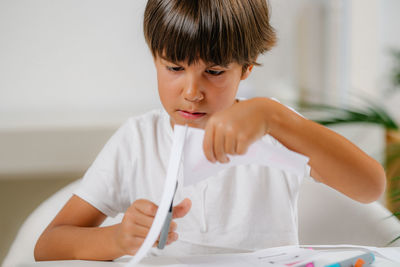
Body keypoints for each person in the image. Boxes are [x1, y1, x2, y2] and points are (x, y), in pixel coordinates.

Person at [34, 0, 386, 261]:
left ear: (246, 69)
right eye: (174, 67)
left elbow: (370, 187)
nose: (191, 91)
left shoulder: (272, 129)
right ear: (154, 57)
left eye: (214, 72)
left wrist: (274, 116)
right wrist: (116, 240)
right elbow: (47, 246)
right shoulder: (137, 141)